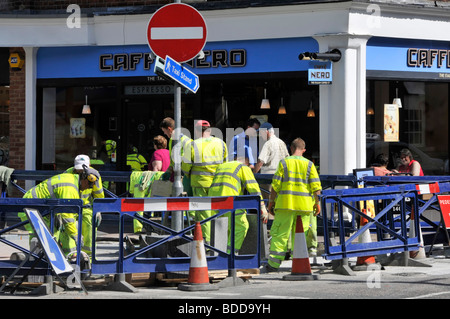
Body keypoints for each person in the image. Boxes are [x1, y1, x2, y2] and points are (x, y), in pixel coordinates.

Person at [265, 138, 322, 272]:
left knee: (280, 234)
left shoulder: (284, 163)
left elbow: (275, 186)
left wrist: (271, 203)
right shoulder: (309, 165)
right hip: (304, 207)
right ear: (304, 150)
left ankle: (273, 265)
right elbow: (316, 188)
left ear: (291, 148)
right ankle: (298, 261)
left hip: (285, 205)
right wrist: (317, 203)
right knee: (300, 235)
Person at [18, 166, 100, 257]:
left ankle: (45, 261)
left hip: (40, 208)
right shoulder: (70, 188)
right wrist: (75, 235)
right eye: (90, 185)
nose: (89, 188)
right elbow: (67, 216)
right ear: (84, 179)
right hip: (31, 208)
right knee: (42, 237)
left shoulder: (72, 180)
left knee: (52, 236)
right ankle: (38, 262)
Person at [208, 154, 269, 254]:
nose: (252, 167)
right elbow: (254, 189)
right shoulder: (243, 167)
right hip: (230, 200)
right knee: (241, 226)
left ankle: (219, 256)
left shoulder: (223, 166)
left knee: (224, 228)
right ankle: (230, 255)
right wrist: (262, 207)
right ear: (246, 161)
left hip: (213, 200)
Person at [187, 120, 228, 243]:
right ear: (210, 130)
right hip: (218, 183)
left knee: (204, 213)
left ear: (197, 131)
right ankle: (220, 241)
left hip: (200, 184)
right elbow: (225, 163)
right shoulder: (221, 143)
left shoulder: (193, 145)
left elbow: (185, 166)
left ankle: (208, 242)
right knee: (218, 211)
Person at [65, 154, 105, 257]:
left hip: (86, 206)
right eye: (78, 169)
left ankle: (88, 258)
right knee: (67, 227)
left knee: (90, 227)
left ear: (89, 165)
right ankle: (71, 256)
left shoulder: (94, 175)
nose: (80, 172)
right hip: (71, 206)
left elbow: (99, 195)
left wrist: (98, 211)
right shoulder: (68, 173)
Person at [253, 122, 290, 201]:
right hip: (280, 179)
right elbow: (288, 160)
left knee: (268, 202)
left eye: (261, 133)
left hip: (268, 180)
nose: (260, 135)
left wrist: (253, 175)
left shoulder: (268, 144)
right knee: (278, 201)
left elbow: (260, 162)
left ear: (266, 132)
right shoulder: (282, 143)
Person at [159, 117, 193, 196]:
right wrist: (169, 171)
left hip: (187, 175)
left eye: (164, 131)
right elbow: (173, 160)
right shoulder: (172, 140)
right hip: (181, 176)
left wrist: (184, 174)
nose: (164, 134)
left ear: (169, 129)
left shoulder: (185, 140)